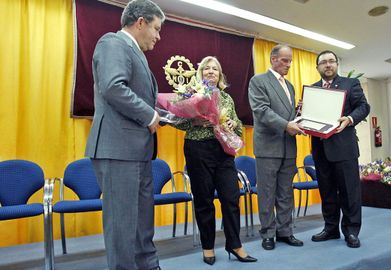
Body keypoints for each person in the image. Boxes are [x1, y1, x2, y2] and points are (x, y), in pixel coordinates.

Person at [85, 0, 165, 269]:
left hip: (137, 150)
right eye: (156, 28)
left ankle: (147, 265)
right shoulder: (113, 43)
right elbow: (113, 87)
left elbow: (137, 93)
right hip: (117, 148)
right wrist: (150, 115)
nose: (158, 36)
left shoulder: (136, 52)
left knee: (142, 219)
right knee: (122, 223)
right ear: (140, 22)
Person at [172, 56, 257, 265]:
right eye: (207, 69)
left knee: (231, 198)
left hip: (223, 151)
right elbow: (176, 120)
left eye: (215, 69)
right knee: (204, 201)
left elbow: (237, 126)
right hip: (197, 149)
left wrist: (229, 122)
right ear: (200, 73)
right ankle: (208, 246)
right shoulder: (190, 95)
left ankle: (234, 245)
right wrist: (195, 119)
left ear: (220, 75)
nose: (211, 72)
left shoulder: (226, 98)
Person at [309, 50, 370, 248]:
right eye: (323, 62)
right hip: (320, 149)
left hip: (344, 148)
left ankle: (351, 231)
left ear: (336, 65)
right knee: (327, 192)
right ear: (317, 67)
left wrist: (350, 119)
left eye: (331, 61)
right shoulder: (313, 90)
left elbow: (363, 106)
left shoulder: (350, 84)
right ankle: (330, 229)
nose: (328, 65)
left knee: (349, 192)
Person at [248, 44, 305, 251]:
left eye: (290, 60)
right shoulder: (258, 81)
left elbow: (289, 116)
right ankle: (268, 233)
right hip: (267, 147)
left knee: (285, 193)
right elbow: (261, 111)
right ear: (273, 59)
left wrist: (300, 115)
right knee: (267, 192)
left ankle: (285, 231)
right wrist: (287, 125)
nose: (289, 64)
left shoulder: (289, 86)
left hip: (289, 148)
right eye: (285, 60)